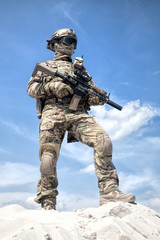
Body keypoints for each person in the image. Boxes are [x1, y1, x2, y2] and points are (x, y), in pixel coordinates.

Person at [27, 28, 135, 210]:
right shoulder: (46, 66)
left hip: (78, 113)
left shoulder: (80, 70)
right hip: (53, 112)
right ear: (55, 44)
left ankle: (109, 192)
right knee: (48, 157)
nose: (72, 45)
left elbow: (90, 94)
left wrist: (97, 98)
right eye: (68, 40)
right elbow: (31, 89)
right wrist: (53, 86)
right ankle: (47, 202)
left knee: (103, 141)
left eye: (74, 42)